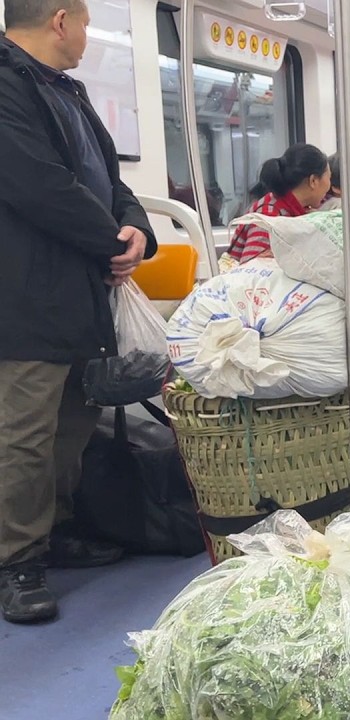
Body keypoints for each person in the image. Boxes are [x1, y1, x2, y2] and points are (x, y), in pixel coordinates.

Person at [0, 0, 159, 624]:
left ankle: (57, 530)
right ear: (61, 19)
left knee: (72, 424)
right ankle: (17, 560)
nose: (89, 38)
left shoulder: (69, 93)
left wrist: (135, 227)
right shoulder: (8, 85)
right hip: (26, 292)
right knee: (26, 435)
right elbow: (36, 184)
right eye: (88, 24)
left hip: (80, 292)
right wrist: (110, 241)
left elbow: (110, 182)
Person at [225, 143, 330, 263]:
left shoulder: (300, 211)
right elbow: (253, 268)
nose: (329, 187)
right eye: (329, 178)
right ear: (313, 181)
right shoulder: (268, 214)